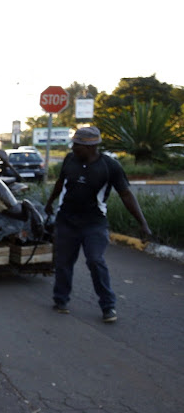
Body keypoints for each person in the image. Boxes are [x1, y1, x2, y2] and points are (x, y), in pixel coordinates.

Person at [44, 126, 152, 323]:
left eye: (77, 145)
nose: (73, 147)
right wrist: (50, 203)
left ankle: (108, 306)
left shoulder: (110, 166)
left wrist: (143, 224)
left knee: (95, 260)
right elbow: (61, 183)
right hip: (66, 220)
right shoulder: (70, 159)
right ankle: (60, 300)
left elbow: (126, 195)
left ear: (90, 146)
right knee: (63, 262)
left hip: (93, 223)